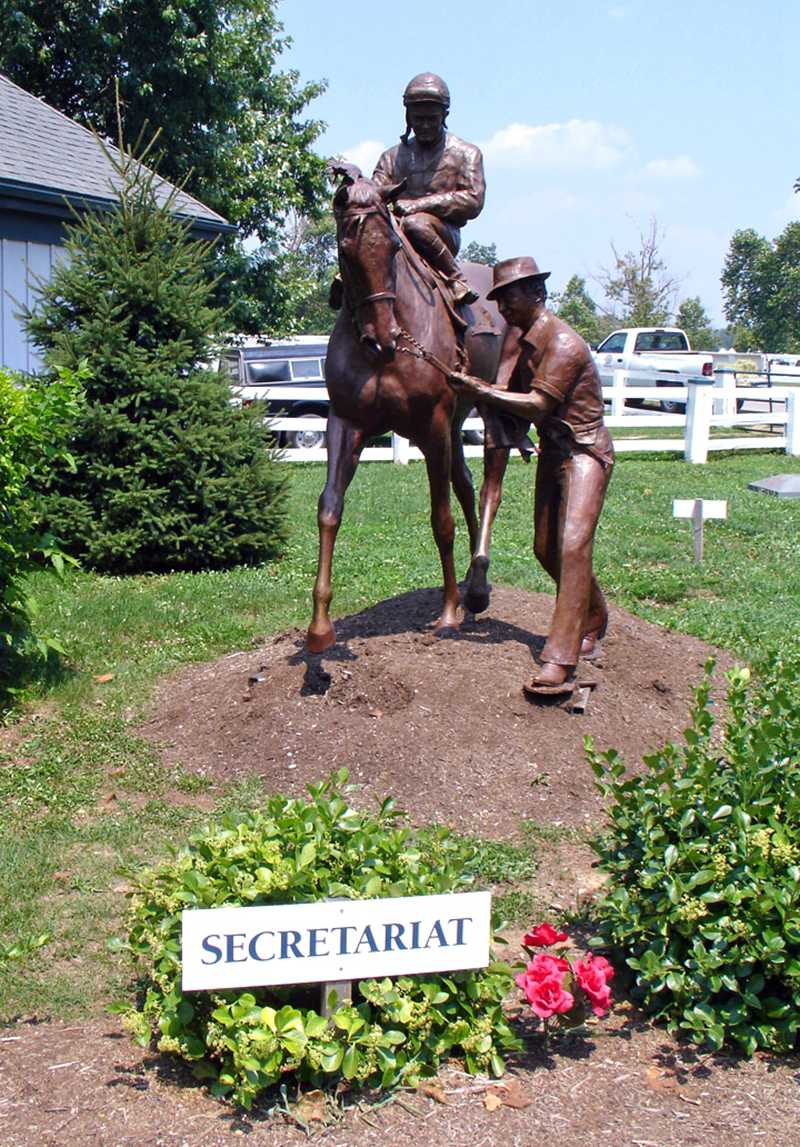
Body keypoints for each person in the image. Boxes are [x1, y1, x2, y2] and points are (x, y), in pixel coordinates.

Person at [448, 256, 614, 698]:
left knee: (573, 543)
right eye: (499, 298)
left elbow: (537, 404)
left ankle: (559, 659)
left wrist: (479, 390)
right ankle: (594, 615)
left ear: (536, 294)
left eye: (509, 298)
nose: (502, 307)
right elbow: (508, 391)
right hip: (554, 452)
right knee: (545, 549)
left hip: (585, 452)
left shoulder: (563, 344)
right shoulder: (520, 341)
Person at [371, 72, 485, 306]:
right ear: (408, 116)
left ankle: (456, 279)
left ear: (444, 115)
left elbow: (474, 200)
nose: (423, 125)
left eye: (430, 119)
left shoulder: (466, 153)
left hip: (441, 234)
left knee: (416, 223)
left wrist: (417, 206)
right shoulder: (391, 157)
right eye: (417, 119)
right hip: (394, 232)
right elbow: (374, 195)